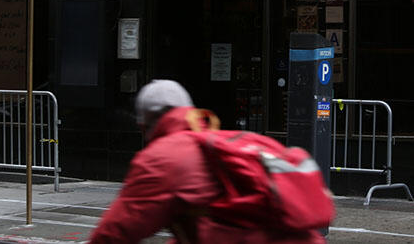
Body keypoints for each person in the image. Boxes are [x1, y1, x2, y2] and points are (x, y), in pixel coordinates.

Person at [89, 79, 327, 243]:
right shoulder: (221, 142)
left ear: (144, 124)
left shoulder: (162, 158)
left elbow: (117, 231)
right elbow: (209, 223)